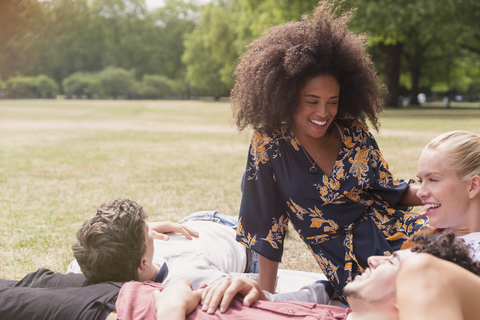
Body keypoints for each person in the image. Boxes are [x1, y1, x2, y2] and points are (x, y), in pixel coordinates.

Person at [231, 1, 427, 300]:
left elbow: (389, 190)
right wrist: (267, 296)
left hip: (400, 232)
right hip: (356, 268)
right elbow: (266, 225)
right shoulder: (269, 146)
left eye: (332, 101)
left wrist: (436, 191)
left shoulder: (354, 133)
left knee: (457, 253)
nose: (324, 112)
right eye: (312, 101)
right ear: (286, 96)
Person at [114, 229, 480, 320]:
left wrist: (171, 310)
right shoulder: (336, 312)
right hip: (140, 292)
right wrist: (259, 291)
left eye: (392, 263)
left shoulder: (423, 271)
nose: (372, 261)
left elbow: (426, 270)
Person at [71, 198, 263, 289]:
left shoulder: (90, 260)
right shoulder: (188, 279)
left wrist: (144, 230)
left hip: (191, 222)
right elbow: (255, 286)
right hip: (243, 242)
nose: (149, 228)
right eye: (146, 233)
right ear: (143, 263)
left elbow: (84, 251)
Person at [402, 130, 480, 260]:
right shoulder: (419, 243)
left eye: (433, 179)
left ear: (472, 186)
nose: (420, 193)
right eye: (421, 181)